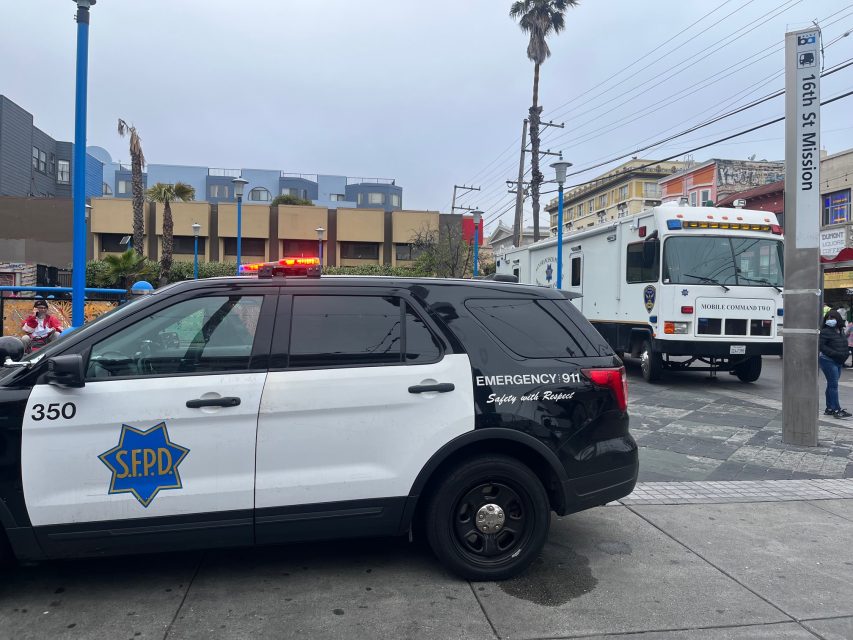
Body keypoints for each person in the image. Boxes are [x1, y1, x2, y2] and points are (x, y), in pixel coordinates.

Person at [819, 309, 851, 418]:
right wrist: (834, 353)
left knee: (831, 384)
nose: (830, 320)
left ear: (837, 319)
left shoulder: (840, 330)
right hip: (827, 360)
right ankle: (837, 410)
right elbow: (821, 346)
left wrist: (845, 353)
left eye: (832, 318)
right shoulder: (825, 331)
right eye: (828, 318)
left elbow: (842, 343)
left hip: (838, 361)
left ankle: (829, 408)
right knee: (833, 385)